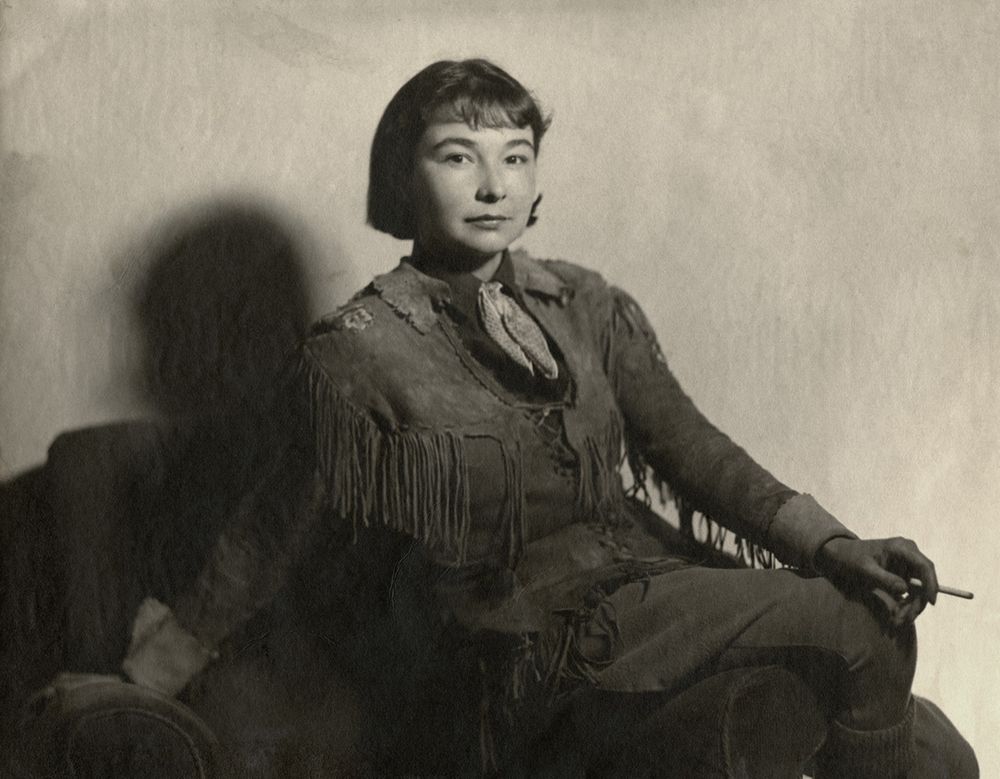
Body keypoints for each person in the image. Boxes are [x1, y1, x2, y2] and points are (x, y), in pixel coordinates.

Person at [121, 59, 978, 777]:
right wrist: (166, 655)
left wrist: (835, 545)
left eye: (515, 156)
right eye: (458, 157)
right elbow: (274, 524)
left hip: (656, 588)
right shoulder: (359, 347)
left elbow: (693, 450)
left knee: (938, 744)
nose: (493, 185)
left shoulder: (584, 302)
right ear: (402, 177)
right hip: (526, 646)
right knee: (858, 631)